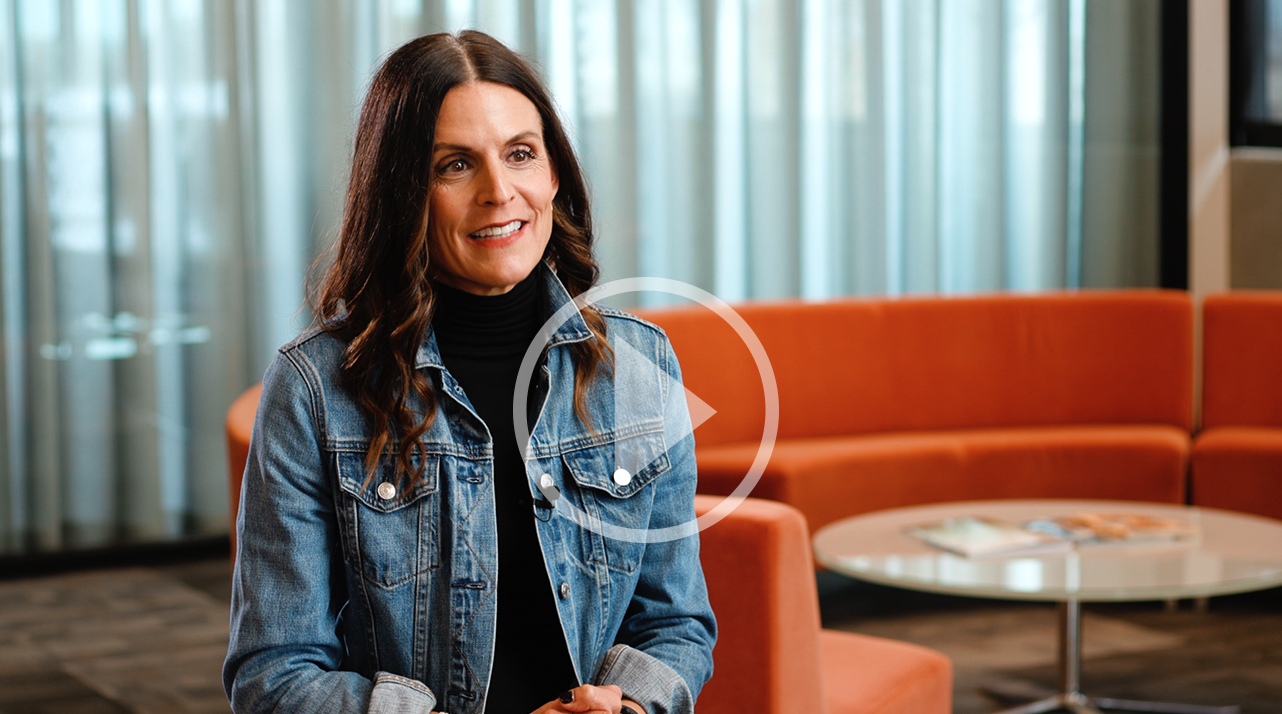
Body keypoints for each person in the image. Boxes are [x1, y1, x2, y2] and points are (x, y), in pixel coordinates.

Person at [222, 30, 716, 714]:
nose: (498, 191)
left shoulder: (639, 364)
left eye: (520, 154)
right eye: (454, 165)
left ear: (553, 175)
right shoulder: (313, 390)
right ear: (403, 193)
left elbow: (676, 623)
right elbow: (274, 677)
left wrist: (629, 705)